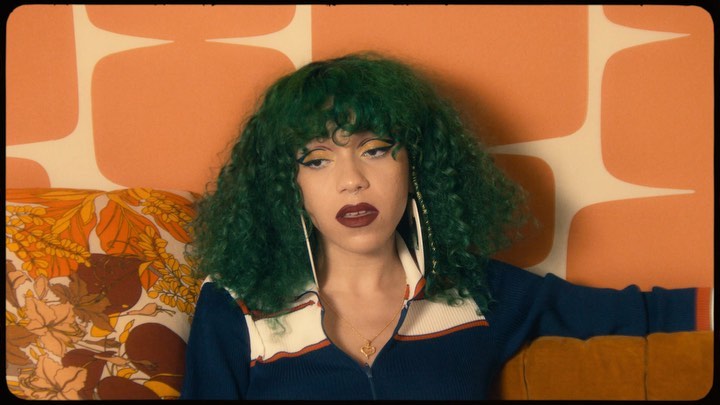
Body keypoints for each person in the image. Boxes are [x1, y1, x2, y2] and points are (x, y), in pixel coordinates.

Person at [180, 52, 711, 400]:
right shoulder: (236, 302)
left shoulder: (478, 291)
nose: (352, 181)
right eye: (317, 160)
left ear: (417, 166)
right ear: (286, 184)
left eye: (375, 149)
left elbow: (646, 312)